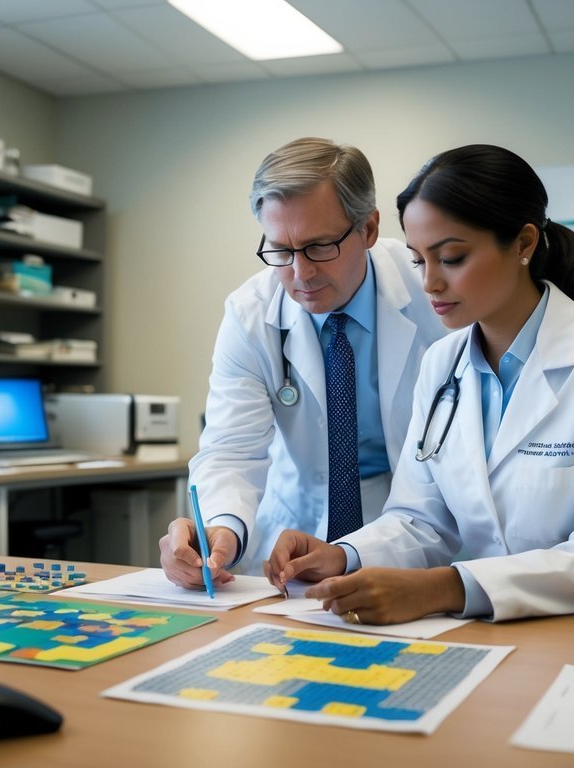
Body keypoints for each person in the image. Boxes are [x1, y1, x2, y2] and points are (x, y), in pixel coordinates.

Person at [265, 144, 574, 622]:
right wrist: (341, 556)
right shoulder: (441, 363)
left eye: (451, 258)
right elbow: (422, 520)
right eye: (420, 261)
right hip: (500, 629)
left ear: (524, 244)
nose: (430, 284)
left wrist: (444, 587)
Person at [160, 137, 444, 585]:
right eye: (281, 250)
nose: (300, 273)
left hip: (413, 541)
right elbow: (232, 448)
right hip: (292, 542)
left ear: (368, 229)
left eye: (318, 247)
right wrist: (222, 529)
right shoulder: (250, 312)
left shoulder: (433, 291)